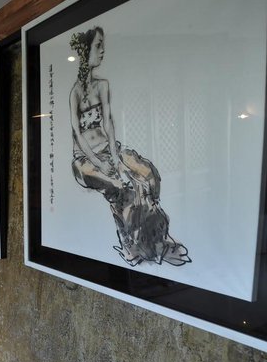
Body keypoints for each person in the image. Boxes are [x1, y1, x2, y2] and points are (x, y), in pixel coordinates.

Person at [69, 26, 190, 266]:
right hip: (84, 160)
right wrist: (99, 163)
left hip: (109, 149)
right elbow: (78, 135)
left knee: (147, 173)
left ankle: (156, 238)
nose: (102, 51)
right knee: (119, 187)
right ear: (85, 51)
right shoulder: (75, 93)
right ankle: (131, 245)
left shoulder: (102, 85)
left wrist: (115, 156)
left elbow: (108, 122)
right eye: (98, 46)